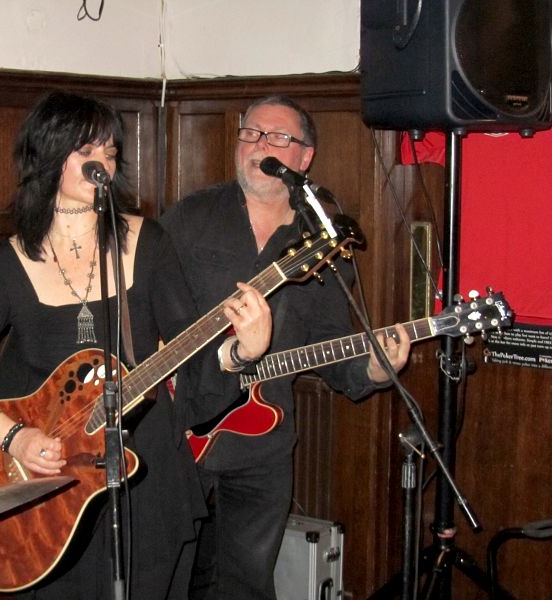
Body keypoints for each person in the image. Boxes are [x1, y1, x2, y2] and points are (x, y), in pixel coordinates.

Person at [0, 91, 271, 599]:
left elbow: (195, 352)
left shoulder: (147, 242)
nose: (102, 163)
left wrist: (243, 350)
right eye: (87, 149)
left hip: (144, 481)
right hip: (45, 488)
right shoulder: (5, 266)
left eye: (110, 152)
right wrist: (14, 437)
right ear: (48, 158)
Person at [159, 95, 411, 599]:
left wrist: (378, 372)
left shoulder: (321, 239)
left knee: (246, 585)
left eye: (278, 138)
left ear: (305, 157)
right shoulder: (191, 217)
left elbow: (330, 342)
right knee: (170, 577)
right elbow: (147, 311)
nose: (260, 145)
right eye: (251, 133)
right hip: (177, 428)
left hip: (261, 443)